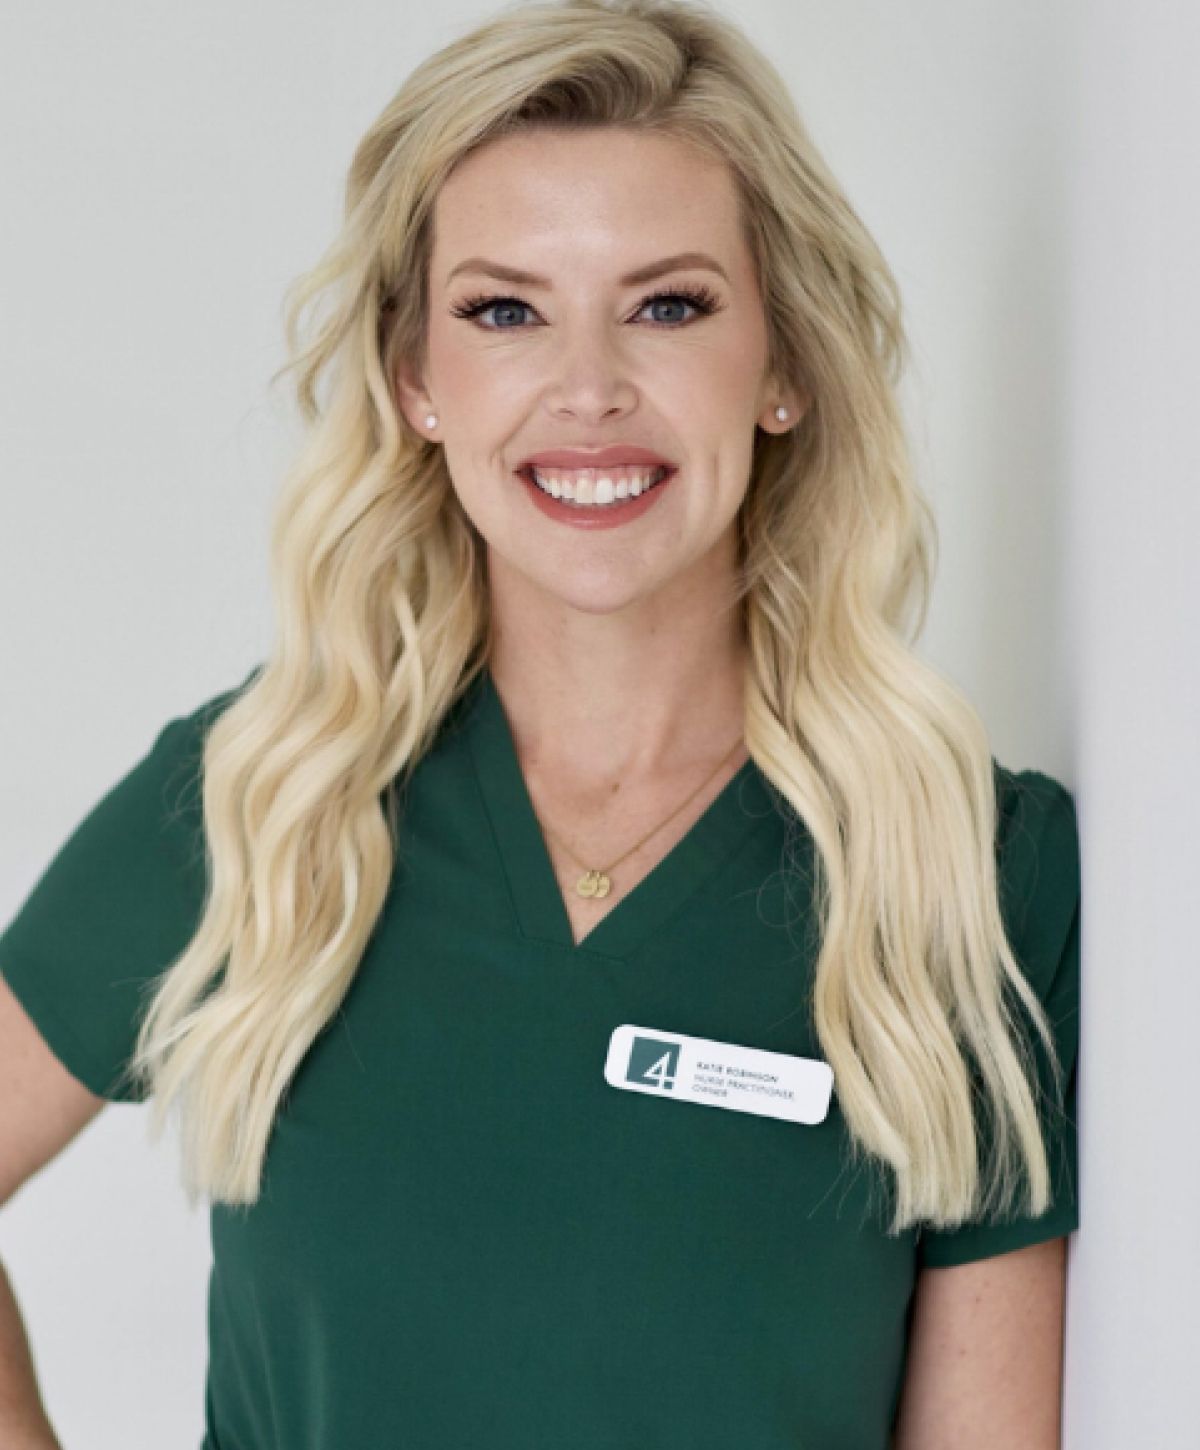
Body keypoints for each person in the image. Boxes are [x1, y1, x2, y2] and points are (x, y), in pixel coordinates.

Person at [0, 1, 1080, 1446]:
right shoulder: (257, 803)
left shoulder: (962, 865)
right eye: (504, 310)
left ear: (784, 365)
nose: (588, 389)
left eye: (670, 304)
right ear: (416, 383)